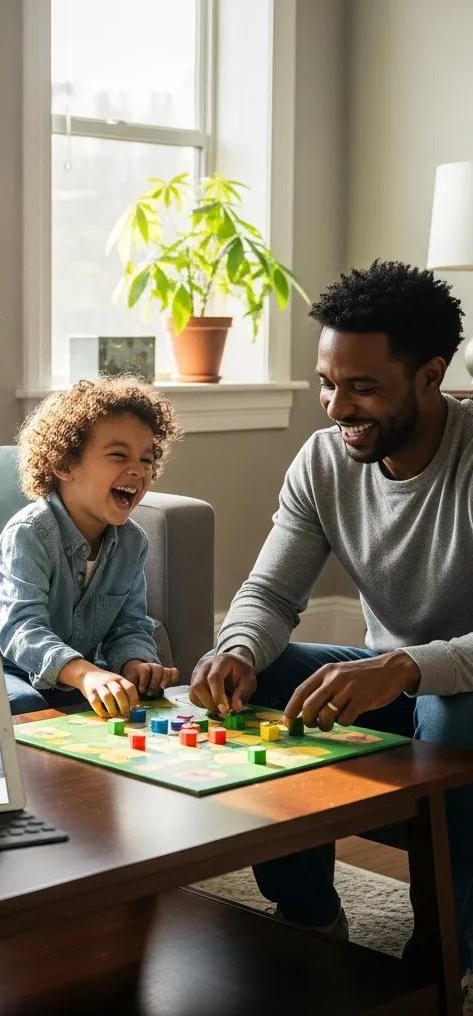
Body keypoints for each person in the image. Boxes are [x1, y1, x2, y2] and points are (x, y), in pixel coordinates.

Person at [188, 261, 473, 982]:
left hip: (456, 695)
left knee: (450, 715)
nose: (335, 406)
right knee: (267, 679)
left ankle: (445, 957)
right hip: (400, 685)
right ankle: (309, 916)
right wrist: (239, 649)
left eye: (363, 387)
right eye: (327, 381)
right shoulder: (324, 462)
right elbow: (270, 593)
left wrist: (407, 666)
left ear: (431, 376)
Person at [0, 375, 180, 717]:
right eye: (118, 455)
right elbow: (22, 630)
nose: (137, 470)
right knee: (25, 705)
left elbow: (128, 626)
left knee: (129, 702)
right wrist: (86, 674)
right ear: (63, 464)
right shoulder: (29, 533)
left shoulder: (133, 543)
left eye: (146, 460)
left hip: (67, 677)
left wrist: (137, 664)